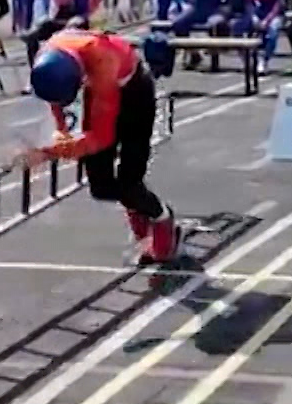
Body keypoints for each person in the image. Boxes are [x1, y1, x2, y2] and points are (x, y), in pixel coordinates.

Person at [19, 27, 181, 265]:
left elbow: (101, 137)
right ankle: (139, 211)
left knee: (129, 182)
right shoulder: (49, 59)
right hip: (90, 87)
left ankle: (162, 218)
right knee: (101, 187)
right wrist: (60, 139)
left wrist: (48, 152)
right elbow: (62, 115)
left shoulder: (104, 63)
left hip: (133, 96)